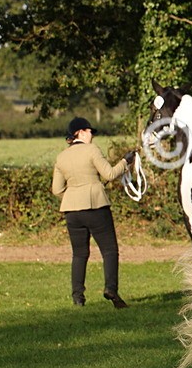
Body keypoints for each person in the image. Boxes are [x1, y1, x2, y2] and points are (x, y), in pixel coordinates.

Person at [51, 117, 134, 309]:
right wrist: (125, 161)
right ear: (79, 132)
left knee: (79, 254)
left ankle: (78, 297)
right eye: (90, 131)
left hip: (71, 211)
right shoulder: (92, 150)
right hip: (95, 206)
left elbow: (56, 189)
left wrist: (73, 195)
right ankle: (111, 289)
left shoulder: (61, 157)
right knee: (109, 250)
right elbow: (110, 174)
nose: (92, 135)